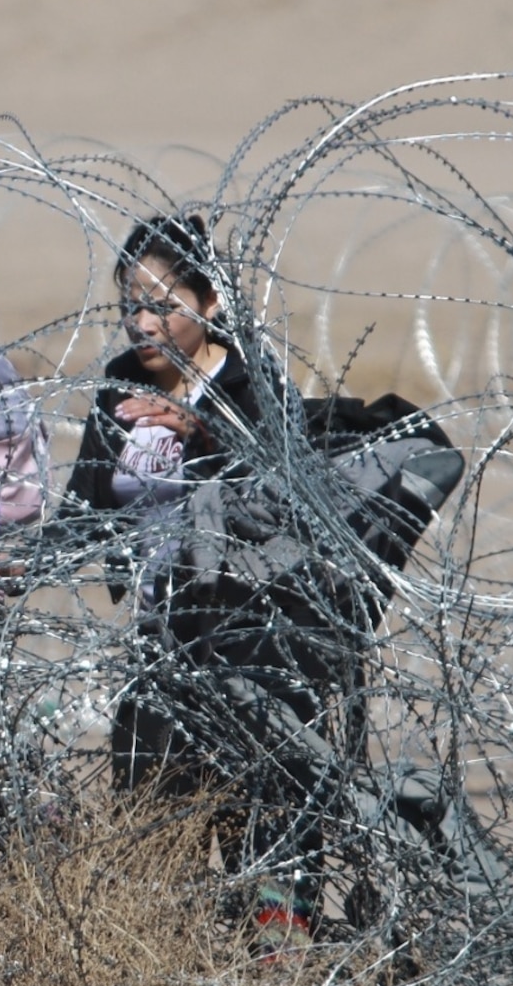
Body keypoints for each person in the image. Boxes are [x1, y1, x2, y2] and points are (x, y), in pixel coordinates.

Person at [68, 216, 459, 932]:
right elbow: (84, 505)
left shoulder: (250, 388)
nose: (143, 323)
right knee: (155, 852)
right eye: (131, 305)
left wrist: (203, 434)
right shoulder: (117, 391)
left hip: (260, 647)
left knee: (273, 845)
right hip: (163, 648)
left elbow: (282, 500)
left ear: (209, 304)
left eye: (163, 304)